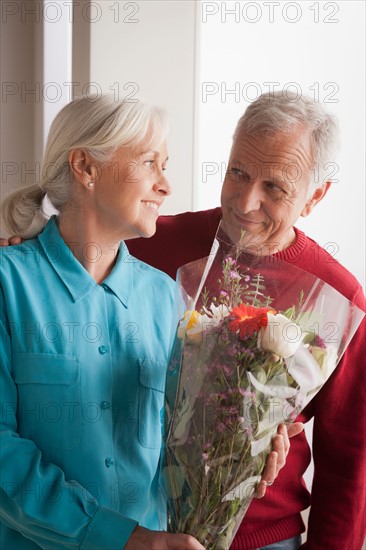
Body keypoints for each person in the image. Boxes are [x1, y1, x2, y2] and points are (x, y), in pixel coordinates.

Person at [0, 95, 295, 550]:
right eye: (149, 163)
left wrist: (244, 455)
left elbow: (181, 446)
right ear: (86, 166)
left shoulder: (165, 298)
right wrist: (126, 540)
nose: (165, 185)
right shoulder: (8, 283)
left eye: (167, 165)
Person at [123, 92, 366, 549]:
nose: (246, 201)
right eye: (238, 172)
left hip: (263, 537)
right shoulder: (149, 243)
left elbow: (349, 461)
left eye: (274, 187)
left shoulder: (340, 298)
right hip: (143, 530)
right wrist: (24, 246)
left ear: (315, 196)